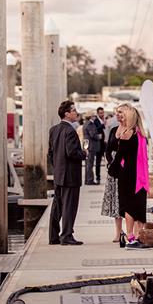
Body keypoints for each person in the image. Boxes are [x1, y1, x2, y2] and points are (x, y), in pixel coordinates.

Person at [48, 100, 87, 246]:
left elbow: (50, 153)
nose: (76, 113)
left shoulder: (53, 130)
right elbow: (71, 152)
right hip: (70, 175)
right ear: (67, 114)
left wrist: (57, 167)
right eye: (74, 111)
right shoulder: (70, 130)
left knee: (57, 206)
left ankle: (53, 236)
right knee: (69, 206)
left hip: (59, 174)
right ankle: (66, 235)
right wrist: (84, 153)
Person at [113, 103, 150, 248]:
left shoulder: (136, 133)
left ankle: (137, 236)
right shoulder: (131, 134)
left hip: (134, 174)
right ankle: (130, 236)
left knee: (138, 206)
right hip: (130, 175)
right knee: (131, 206)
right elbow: (120, 156)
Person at [102, 108, 124, 247]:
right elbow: (108, 149)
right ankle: (118, 232)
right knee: (115, 201)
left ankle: (132, 232)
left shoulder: (132, 131)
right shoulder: (113, 130)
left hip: (126, 168)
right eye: (117, 113)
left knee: (125, 201)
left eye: (121, 113)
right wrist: (111, 162)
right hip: (113, 169)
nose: (118, 115)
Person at [84, 107, 106, 185]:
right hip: (92, 146)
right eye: (94, 116)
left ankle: (87, 179)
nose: (95, 117)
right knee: (90, 164)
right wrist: (98, 136)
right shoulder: (90, 124)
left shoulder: (86, 123)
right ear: (91, 117)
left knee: (88, 163)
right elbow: (92, 134)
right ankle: (90, 180)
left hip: (88, 145)